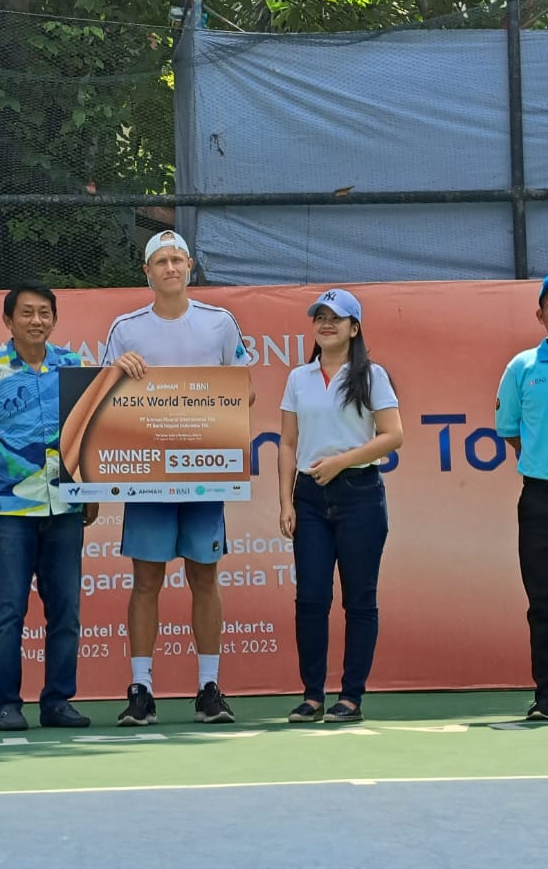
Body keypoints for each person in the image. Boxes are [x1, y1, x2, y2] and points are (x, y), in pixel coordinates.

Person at [102, 229, 254, 727]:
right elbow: (102, 402)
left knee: (203, 576)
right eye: (160, 261)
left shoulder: (220, 323)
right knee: (146, 579)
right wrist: (117, 372)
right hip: (147, 478)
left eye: (177, 260)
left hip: (204, 474)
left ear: (190, 266)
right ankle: (141, 690)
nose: (170, 268)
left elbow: (244, 392)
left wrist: (207, 405)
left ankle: (209, 688)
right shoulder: (125, 328)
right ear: (146, 272)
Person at [0, 281, 98, 732]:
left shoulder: (73, 366)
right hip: (8, 511)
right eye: (28, 313)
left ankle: (57, 702)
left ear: (55, 319)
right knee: (9, 611)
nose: (37, 321)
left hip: (65, 510)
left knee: (66, 611)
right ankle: (6, 705)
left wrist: (89, 491)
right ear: (9, 320)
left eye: (45, 313)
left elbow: (88, 432)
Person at [278, 288, 403, 725]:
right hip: (309, 497)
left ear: (354, 328)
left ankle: (350, 697)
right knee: (310, 598)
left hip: (360, 494)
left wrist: (341, 462)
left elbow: (392, 435)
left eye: (337, 318)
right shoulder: (299, 377)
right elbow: (288, 442)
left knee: (359, 601)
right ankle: (312, 696)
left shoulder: (372, 375)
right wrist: (285, 501)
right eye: (320, 317)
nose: (326, 324)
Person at [495, 275, 548, 721]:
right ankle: (547, 698)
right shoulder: (523, 368)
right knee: (543, 601)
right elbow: (511, 431)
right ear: (540, 314)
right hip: (540, 499)